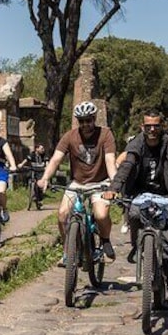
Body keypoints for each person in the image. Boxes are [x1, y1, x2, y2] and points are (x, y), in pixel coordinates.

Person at [109, 110, 168, 304]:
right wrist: (115, 188)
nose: (152, 129)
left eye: (156, 126)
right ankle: (135, 246)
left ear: (161, 127)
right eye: (148, 125)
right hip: (138, 194)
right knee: (132, 215)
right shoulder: (136, 143)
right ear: (142, 127)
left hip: (165, 196)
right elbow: (127, 165)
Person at [38, 101, 118, 266]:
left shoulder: (105, 134)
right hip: (77, 183)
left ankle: (105, 240)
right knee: (62, 214)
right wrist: (45, 178)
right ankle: (68, 250)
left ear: (94, 118)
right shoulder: (69, 136)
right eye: (81, 121)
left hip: (100, 183)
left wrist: (115, 185)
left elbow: (110, 161)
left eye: (88, 120)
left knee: (101, 215)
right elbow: (55, 159)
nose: (85, 124)